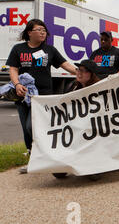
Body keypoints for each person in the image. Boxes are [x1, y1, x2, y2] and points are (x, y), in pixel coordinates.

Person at [5, 19, 77, 173]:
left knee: (33, 126)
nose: (43, 32)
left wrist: (82, 73)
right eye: (39, 29)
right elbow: (13, 69)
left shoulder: (49, 50)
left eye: (44, 30)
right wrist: (17, 84)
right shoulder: (18, 49)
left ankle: (47, 157)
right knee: (26, 129)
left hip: (43, 96)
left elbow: (66, 65)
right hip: (23, 95)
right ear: (29, 32)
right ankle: (32, 160)